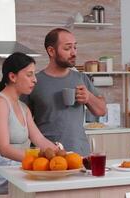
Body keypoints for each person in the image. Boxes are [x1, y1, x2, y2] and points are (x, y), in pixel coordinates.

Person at [0, 52, 58, 194]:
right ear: (13, 76)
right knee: (48, 179)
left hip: (14, 165)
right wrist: (39, 158)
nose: (35, 80)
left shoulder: (23, 107)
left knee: (55, 175)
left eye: (34, 75)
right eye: (29, 75)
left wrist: (59, 154)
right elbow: (4, 149)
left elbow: (39, 139)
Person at [23, 28, 107, 156]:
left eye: (75, 47)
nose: (73, 53)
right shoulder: (34, 82)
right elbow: (22, 121)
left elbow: (101, 110)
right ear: (51, 51)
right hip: (46, 156)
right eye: (68, 48)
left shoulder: (81, 78)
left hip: (79, 155)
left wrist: (88, 97)